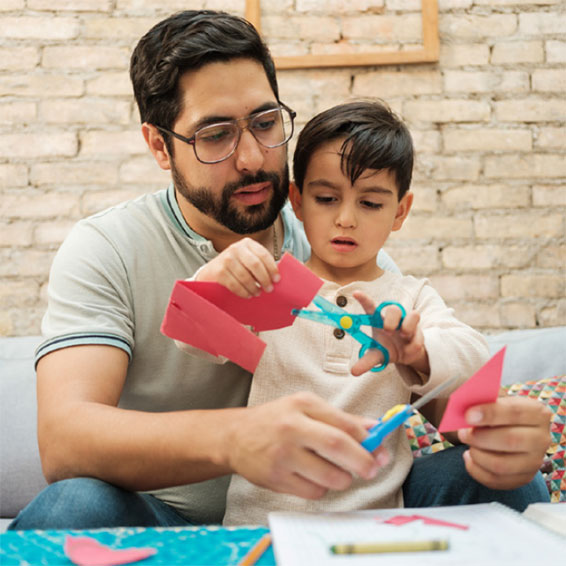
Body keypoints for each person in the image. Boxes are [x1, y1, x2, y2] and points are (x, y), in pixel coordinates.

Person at [9, 10, 550, 531]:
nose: (252, 157)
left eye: (266, 123)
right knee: (71, 507)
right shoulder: (107, 247)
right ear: (159, 145)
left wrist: (494, 435)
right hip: (168, 519)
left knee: (509, 490)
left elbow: (430, 390)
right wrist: (236, 438)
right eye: (216, 134)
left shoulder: (340, 249)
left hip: (349, 506)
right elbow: (66, 442)